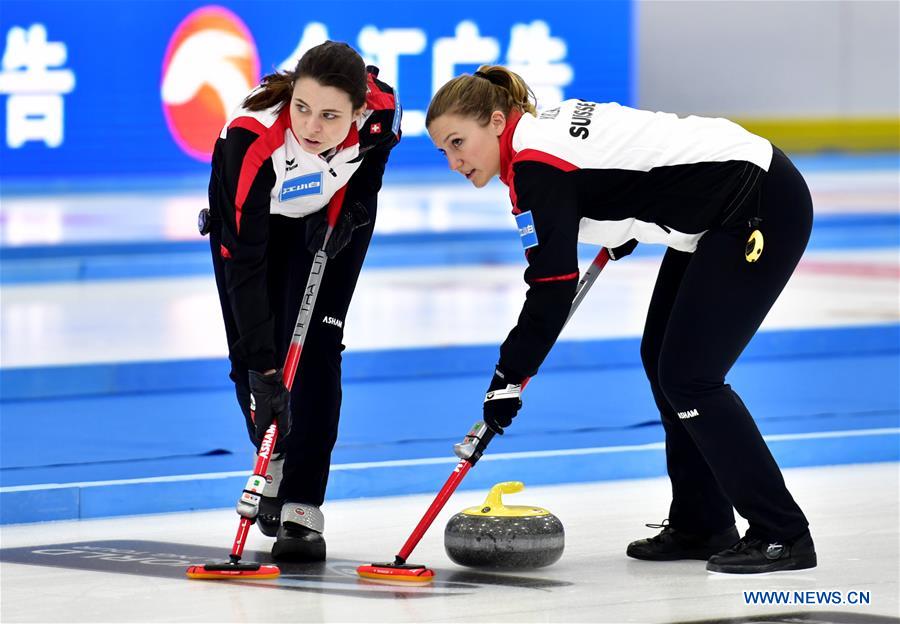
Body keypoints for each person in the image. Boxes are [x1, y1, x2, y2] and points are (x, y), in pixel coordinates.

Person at [425, 66, 816, 574]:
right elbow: (628, 156)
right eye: (443, 151)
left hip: (757, 203)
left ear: (497, 122)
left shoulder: (535, 167)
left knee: (690, 377)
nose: (454, 161)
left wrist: (508, 376)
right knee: (662, 359)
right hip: (723, 204)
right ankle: (702, 522)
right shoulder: (541, 132)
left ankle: (782, 533)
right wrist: (622, 218)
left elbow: (551, 287)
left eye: (458, 142)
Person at [206, 41, 400, 561]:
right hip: (254, 224)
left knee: (319, 348)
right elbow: (244, 265)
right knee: (254, 355)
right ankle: (273, 457)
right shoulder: (251, 141)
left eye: (330, 115)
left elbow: (372, 167)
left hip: (332, 217)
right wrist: (264, 370)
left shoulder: (381, 114)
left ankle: (303, 501)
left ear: (358, 111)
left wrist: (353, 213)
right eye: (302, 108)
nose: (312, 126)